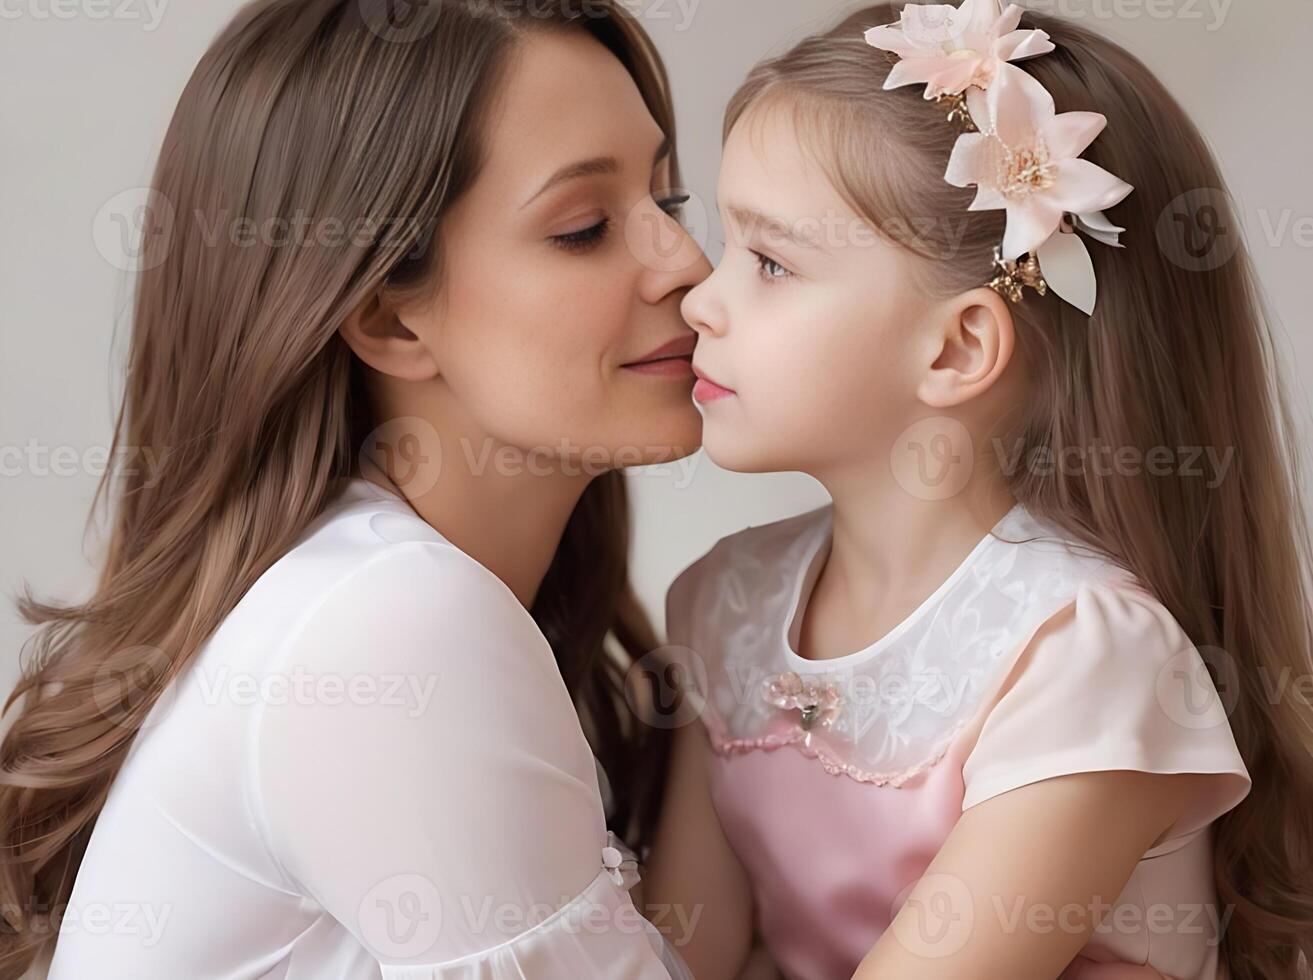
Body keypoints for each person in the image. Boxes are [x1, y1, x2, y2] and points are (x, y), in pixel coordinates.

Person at [0, 1, 709, 976]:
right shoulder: (387, 622)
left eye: (667, 205)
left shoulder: (385, 602)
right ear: (387, 317)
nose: (690, 266)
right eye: (584, 227)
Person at [643, 3, 1313, 979]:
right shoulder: (727, 599)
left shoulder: (1078, 651)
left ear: (956, 346)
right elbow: (680, 957)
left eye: (771, 261)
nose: (700, 296)